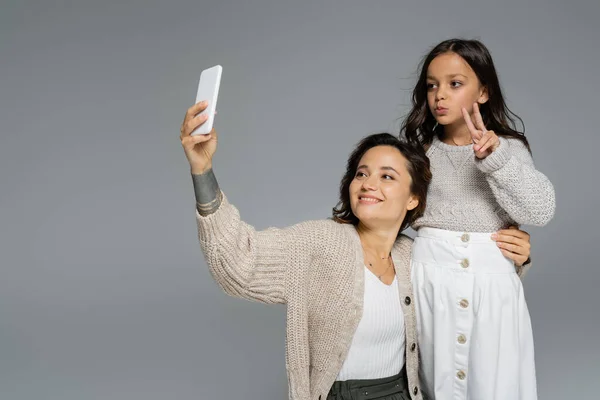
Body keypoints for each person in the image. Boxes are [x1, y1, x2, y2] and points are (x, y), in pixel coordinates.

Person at [178, 100, 533, 399]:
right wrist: (202, 170)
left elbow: (462, 286)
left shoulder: (414, 255)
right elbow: (239, 264)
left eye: (387, 176)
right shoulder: (320, 243)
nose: (368, 184)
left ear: (413, 198)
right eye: (361, 174)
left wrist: (514, 257)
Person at [401, 38, 556, 400]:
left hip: (492, 292)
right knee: (429, 380)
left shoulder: (508, 149)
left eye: (455, 84)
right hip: (429, 286)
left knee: (493, 384)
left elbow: (541, 210)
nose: (440, 95)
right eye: (431, 85)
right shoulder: (418, 154)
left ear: (483, 92)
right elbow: (389, 223)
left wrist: (494, 158)